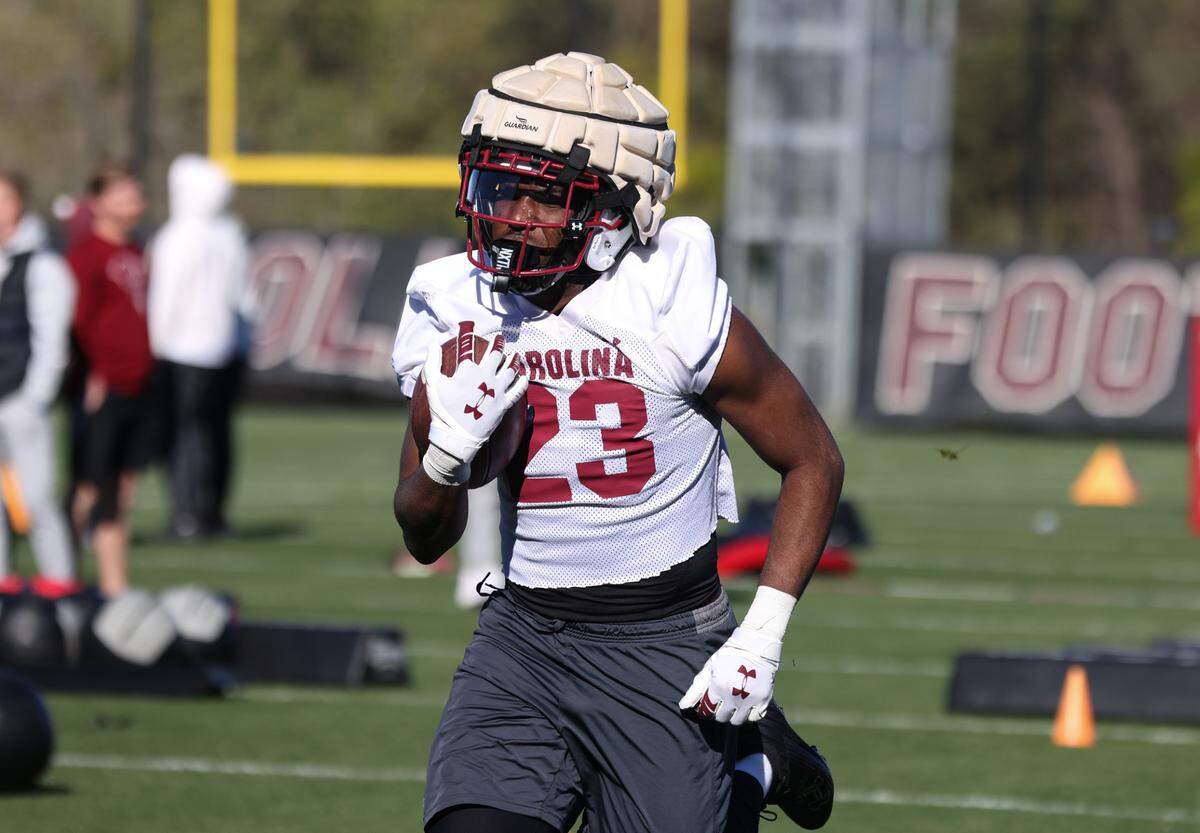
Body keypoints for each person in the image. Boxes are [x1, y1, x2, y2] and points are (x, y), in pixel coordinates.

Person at [391, 53, 841, 833]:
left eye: (541, 194)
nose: (509, 216)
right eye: (498, 187)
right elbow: (424, 536)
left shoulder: (670, 303)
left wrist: (763, 634)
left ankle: (758, 761)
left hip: (661, 638)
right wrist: (442, 455)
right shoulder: (454, 307)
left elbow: (813, 459)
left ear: (613, 204)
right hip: (523, 636)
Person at [149, 155, 251, 539]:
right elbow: (244, 298)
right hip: (223, 351)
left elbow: (165, 299)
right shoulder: (228, 234)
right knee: (216, 433)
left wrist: (154, 344)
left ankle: (187, 516)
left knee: (183, 434)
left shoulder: (177, 237)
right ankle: (212, 513)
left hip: (181, 352)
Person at [66, 164, 152, 597]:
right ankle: (64, 570)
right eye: (124, 195)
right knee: (91, 484)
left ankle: (114, 585)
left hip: (138, 382)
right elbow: (77, 322)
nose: (134, 204)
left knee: (121, 485)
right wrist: (92, 372)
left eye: (137, 195)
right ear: (98, 201)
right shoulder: (86, 255)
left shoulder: (135, 251)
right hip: (104, 385)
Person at [0, 169, 81, 598]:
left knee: (37, 498)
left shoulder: (42, 264)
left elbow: (52, 336)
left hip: (20, 397)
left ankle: (61, 581)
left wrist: (35, 396)